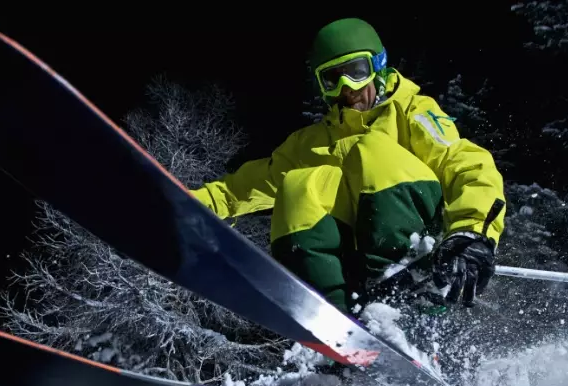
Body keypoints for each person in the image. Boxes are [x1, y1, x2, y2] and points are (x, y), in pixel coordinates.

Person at [193, 18, 507, 314]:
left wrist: (473, 231)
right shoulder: (312, 142)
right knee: (300, 185)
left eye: (357, 71)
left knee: (371, 150)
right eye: (333, 78)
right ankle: (335, 313)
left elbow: (467, 164)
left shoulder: (412, 112)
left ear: (379, 67)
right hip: (357, 275)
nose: (347, 87)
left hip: (428, 261)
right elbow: (243, 188)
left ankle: (402, 287)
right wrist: (189, 205)